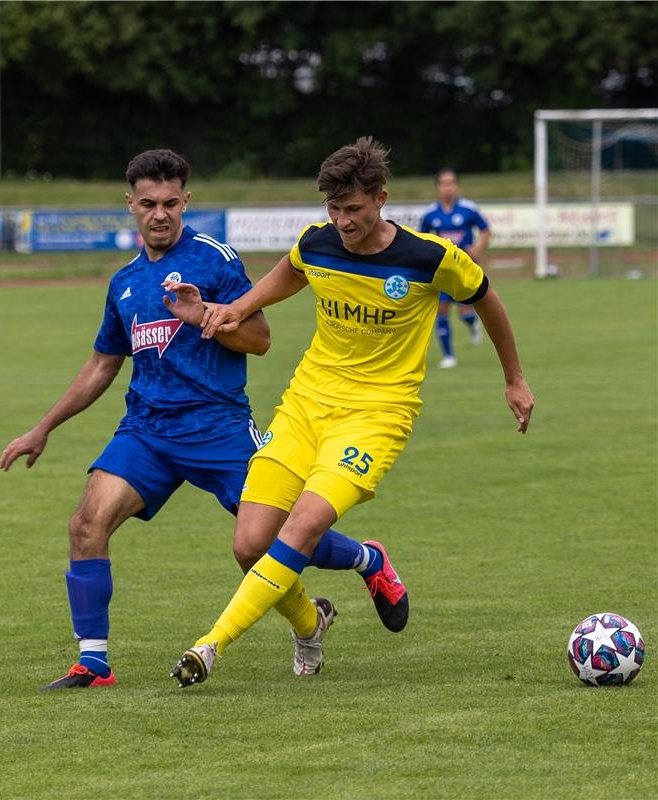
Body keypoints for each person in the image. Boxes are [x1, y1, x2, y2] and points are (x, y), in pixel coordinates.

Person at [0, 148, 410, 690]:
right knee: (86, 524)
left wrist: (209, 321)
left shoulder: (214, 260)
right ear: (130, 205)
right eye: (148, 203)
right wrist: (44, 426)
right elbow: (103, 363)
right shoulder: (123, 281)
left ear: (186, 201)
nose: (160, 213)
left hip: (218, 427)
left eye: (171, 202)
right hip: (146, 431)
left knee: (265, 540)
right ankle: (93, 663)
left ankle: (363, 557)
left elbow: (260, 339)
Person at [170, 137, 534, 688]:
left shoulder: (426, 256)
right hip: (305, 405)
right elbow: (293, 270)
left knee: (306, 523)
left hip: (377, 415)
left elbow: (485, 296)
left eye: (354, 210)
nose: (342, 221)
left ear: (381, 199)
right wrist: (233, 309)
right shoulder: (319, 243)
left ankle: (209, 646)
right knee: (249, 545)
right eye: (334, 209)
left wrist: (514, 378)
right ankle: (322, 613)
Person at [419, 168, 492, 368]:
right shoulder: (430, 214)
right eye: (443, 183)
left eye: (451, 183)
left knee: (465, 311)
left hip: (465, 269)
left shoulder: (468, 209)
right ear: (438, 187)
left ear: (457, 186)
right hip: (442, 270)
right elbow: (422, 239)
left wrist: (477, 248)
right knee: (441, 310)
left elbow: (485, 230)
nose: (447, 187)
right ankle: (448, 356)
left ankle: (472, 324)